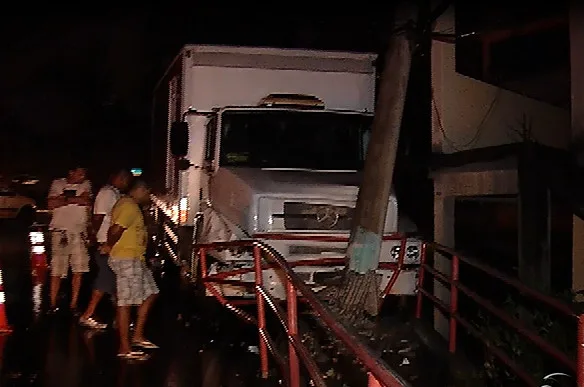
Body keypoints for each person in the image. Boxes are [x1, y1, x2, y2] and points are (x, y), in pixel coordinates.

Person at [100, 180, 159, 360]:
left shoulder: (129, 205)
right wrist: (109, 246)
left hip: (135, 258)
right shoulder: (129, 206)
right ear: (140, 190)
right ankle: (124, 348)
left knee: (151, 292)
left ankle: (137, 336)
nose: (149, 196)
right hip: (126, 259)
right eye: (148, 192)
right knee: (125, 302)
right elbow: (115, 230)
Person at [79, 168, 131, 329]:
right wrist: (94, 238)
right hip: (105, 243)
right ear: (120, 178)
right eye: (126, 180)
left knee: (114, 282)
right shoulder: (107, 193)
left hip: (112, 244)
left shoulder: (114, 193)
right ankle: (87, 315)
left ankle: (121, 318)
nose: (127, 184)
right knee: (105, 280)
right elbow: (98, 217)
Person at [47, 165, 92, 313]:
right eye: (79, 173)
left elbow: (86, 201)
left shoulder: (86, 184)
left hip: (79, 232)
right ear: (71, 172)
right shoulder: (57, 183)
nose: (82, 177)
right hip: (60, 232)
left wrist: (64, 198)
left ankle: (73, 304)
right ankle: (52, 303)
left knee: (79, 270)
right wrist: (74, 199)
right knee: (57, 270)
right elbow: (51, 203)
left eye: (83, 174)